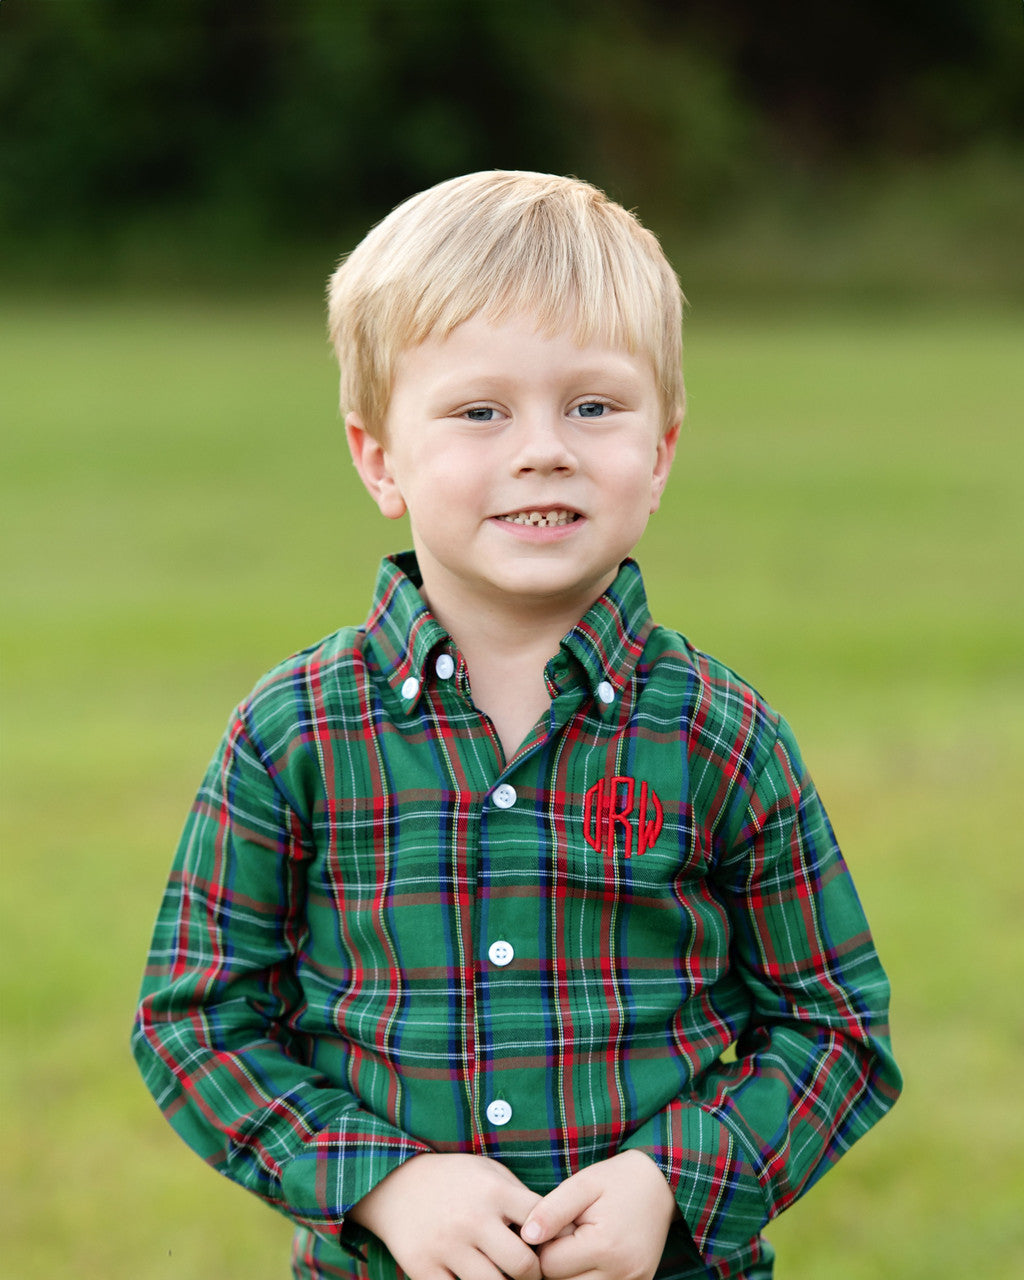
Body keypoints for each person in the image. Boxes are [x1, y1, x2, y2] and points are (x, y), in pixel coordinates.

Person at [132, 170, 901, 1280]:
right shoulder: (293, 733)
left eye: (592, 406)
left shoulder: (721, 735)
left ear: (662, 449)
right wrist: (380, 1179)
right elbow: (196, 1020)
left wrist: (673, 1181)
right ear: (378, 456)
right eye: (480, 410)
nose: (543, 448)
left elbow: (835, 1026)